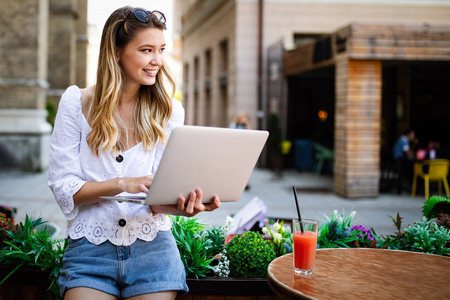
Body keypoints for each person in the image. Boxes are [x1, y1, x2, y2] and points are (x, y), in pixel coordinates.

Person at [48, 6, 220, 300]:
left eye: (161, 49)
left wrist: (183, 205)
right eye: (146, 50)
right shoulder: (76, 102)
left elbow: (156, 201)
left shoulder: (169, 111)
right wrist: (121, 184)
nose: (158, 61)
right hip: (90, 251)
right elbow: (64, 188)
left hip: (152, 250)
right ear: (116, 52)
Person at [392, 129, 417, 193]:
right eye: (412, 134)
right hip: (399, 161)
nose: (413, 136)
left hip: (399, 160)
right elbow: (408, 153)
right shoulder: (403, 140)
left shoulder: (403, 140)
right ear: (408, 134)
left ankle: (409, 186)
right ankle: (410, 186)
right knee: (412, 169)